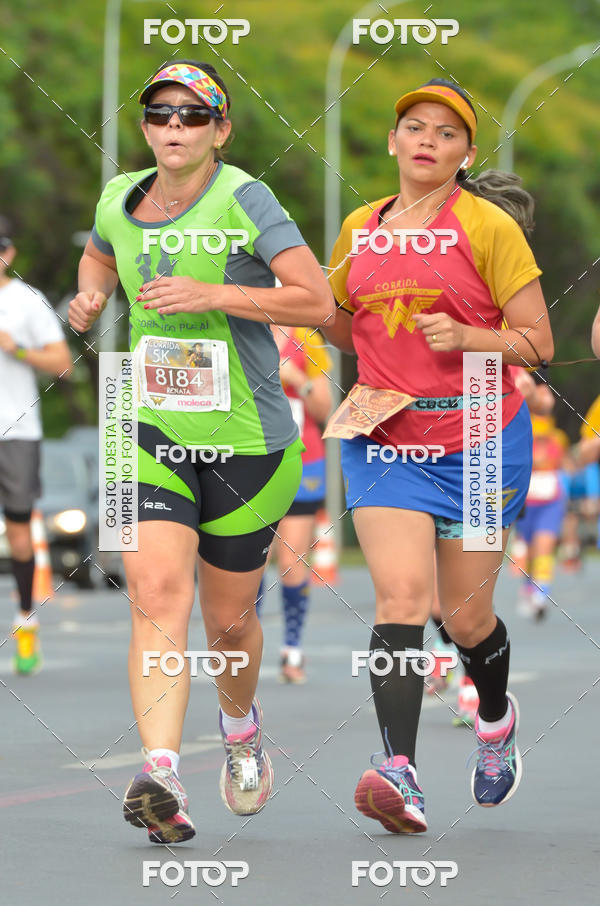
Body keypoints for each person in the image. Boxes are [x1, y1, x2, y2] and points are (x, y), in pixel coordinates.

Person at [68, 60, 333, 843]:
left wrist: (215, 294)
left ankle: (241, 726)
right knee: (154, 593)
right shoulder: (120, 197)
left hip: (248, 444)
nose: (173, 128)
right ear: (144, 126)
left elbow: (317, 302)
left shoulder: (245, 197)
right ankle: (162, 773)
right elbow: (100, 254)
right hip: (150, 428)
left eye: (192, 115)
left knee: (227, 624)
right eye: (159, 114)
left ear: (220, 129)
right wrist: (91, 294)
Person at [323, 78, 553, 833]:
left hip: (483, 437)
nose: (427, 140)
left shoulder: (488, 227)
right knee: (400, 601)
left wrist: (472, 338)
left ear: (465, 153)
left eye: (446, 133)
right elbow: (340, 321)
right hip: (386, 436)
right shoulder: (360, 225)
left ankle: (493, 717)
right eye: (414, 127)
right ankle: (401, 771)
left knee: (465, 616)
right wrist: (259, 299)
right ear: (392, 142)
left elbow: (538, 344)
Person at [0, 215, 72, 674]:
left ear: (8, 254)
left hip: (16, 431)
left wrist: (18, 350)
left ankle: (25, 622)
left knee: (20, 532)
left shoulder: (26, 301)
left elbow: (63, 361)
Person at [258, 326, 332, 683]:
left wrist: (296, 379)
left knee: (291, 561)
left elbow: (324, 407)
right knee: (251, 560)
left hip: (304, 460)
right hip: (253, 457)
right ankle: (244, 646)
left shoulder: (308, 338)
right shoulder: (238, 324)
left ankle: (292, 649)